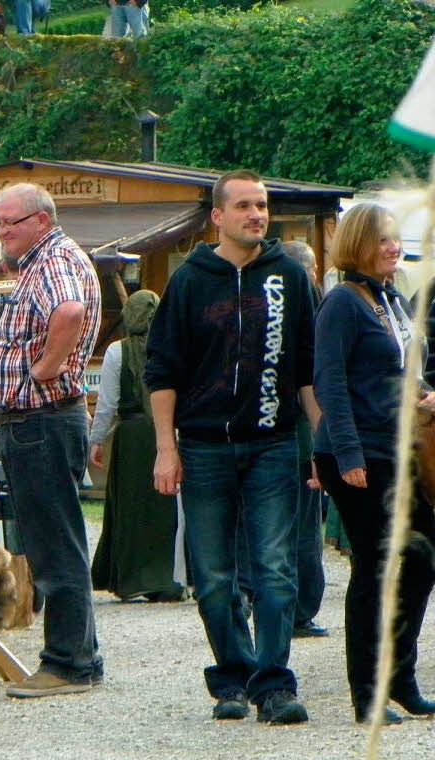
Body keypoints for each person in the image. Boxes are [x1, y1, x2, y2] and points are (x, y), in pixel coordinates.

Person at [145, 169, 318, 724]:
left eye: (262, 205)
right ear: (217, 216)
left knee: (274, 569)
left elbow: (308, 369)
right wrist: (165, 449)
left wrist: (324, 443)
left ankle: (274, 685)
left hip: (272, 442)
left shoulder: (289, 277)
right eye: (244, 205)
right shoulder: (190, 281)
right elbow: (162, 369)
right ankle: (234, 674)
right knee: (214, 579)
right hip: (203, 446)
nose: (256, 215)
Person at [312, 203, 435, 725]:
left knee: (422, 560)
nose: (392, 247)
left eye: (394, 240)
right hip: (357, 451)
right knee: (376, 569)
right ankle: (368, 692)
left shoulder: (388, 301)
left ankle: (400, 679)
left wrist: (426, 393)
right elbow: (330, 383)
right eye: (383, 240)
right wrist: (348, 455)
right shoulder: (343, 302)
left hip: (397, 447)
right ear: (359, 244)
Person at [0, 183, 102, 698]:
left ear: (43, 220)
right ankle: (79, 658)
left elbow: (69, 314)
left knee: (54, 547)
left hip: (42, 420)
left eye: (12, 221)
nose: (3, 231)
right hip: (42, 420)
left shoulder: (52, 260)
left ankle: (68, 664)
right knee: (60, 540)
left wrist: (41, 372)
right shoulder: (48, 259)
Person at [90, 290, 187, 602]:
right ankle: (168, 579)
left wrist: (96, 440)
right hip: (166, 435)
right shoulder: (171, 348)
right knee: (165, 509)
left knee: (131, 509)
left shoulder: (117, 352)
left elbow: (107, 404)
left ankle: (132, 580)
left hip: (131, 439)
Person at [283, 240, 328, 639]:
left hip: (275, 436)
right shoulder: (316, 312)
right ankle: (301, 609)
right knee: (303, 526)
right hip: (302, 436)